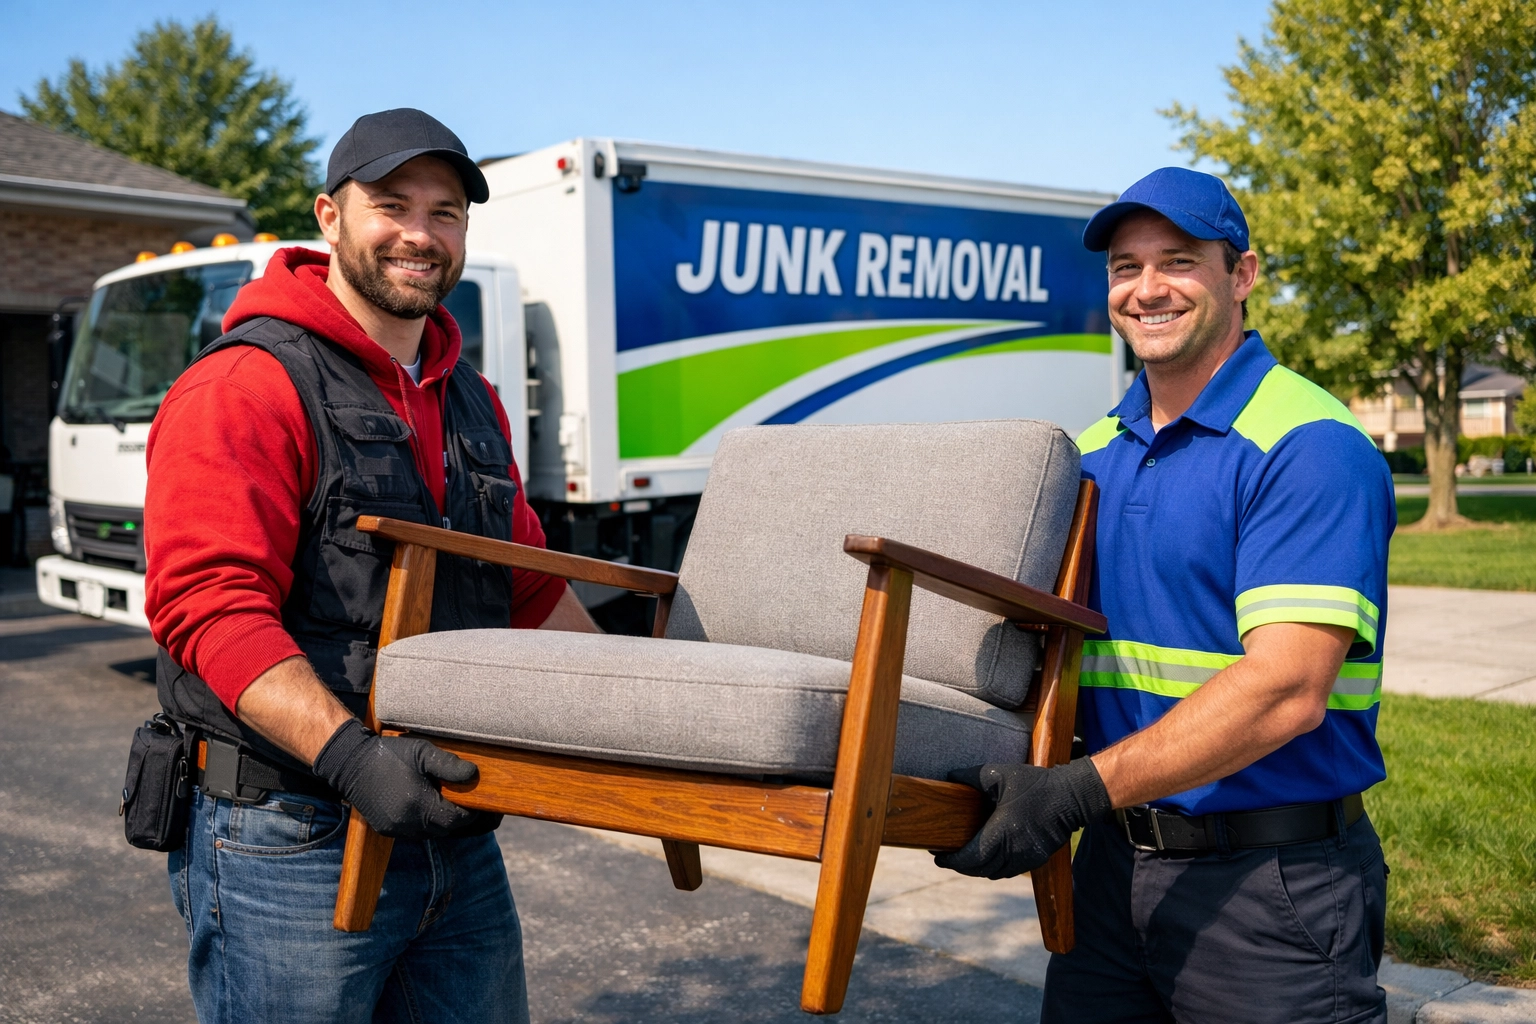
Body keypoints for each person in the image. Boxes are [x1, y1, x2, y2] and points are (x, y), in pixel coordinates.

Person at [145, 108, 599, 1024]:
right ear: (328, 217)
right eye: (391, 204)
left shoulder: (472, 400)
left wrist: (690, 722)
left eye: (445, 213)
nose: (419, 234)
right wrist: (351, 758)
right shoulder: (246, 385)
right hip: (290, 833)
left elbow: (533, 591)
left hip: (453, 828)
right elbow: (209, 606)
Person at [936, 167, 1394, 1024]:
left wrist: (1071, 792)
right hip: (1111, 874)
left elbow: (1289, 690)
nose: (1147, 289)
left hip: (1271, 887)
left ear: (1242, 275)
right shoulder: (1089, 454)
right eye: (1124, 267)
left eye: (1177, 261)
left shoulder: (1309, 446)